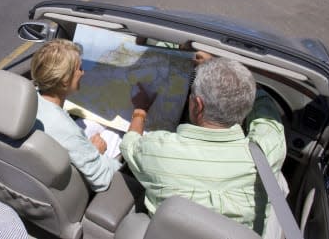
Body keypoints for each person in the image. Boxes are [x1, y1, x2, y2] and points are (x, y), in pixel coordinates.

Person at [120, 57, 286, 236]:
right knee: (280, 182)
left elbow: (129, 143)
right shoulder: (266, 152)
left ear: (198, 105)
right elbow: (268, 118)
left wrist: (140, 111)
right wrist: (245, 88)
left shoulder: (157, 150)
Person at [31, 39, 122, 191]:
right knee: (118, 133)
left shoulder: (30, 99)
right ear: (65, 81)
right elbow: (102, 179)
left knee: (97, 123)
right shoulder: (66, 129)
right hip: (75, 188)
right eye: (80, 68)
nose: (83, 72)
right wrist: (96, 153)